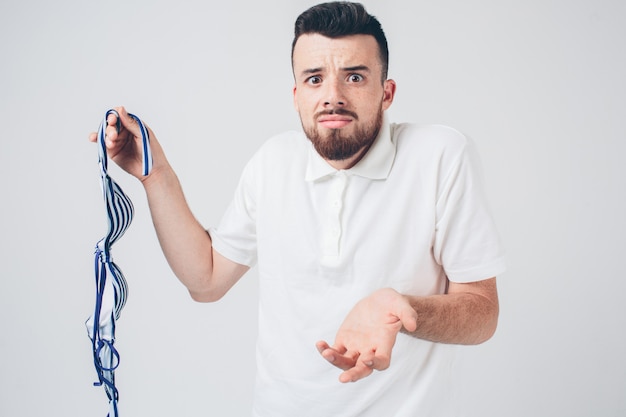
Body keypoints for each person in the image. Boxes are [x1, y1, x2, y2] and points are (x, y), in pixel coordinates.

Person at [90, 2, 505, 415]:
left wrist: (401, 306)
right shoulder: (273, 161)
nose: (333, 97)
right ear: (296, 95)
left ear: (386, 92)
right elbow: (206, 280)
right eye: (314, 79)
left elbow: (483, 312)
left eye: (355, 77)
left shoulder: (441, 155)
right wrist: (155, 175)